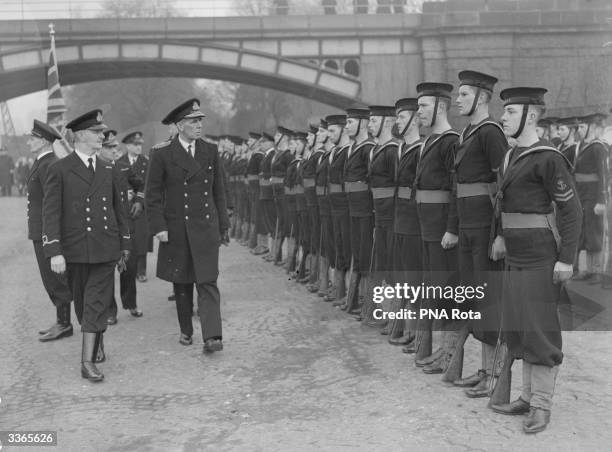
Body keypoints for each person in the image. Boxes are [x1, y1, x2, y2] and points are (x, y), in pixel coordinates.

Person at [489, 87, 582, 434]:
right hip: (514, 253)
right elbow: (502, 202)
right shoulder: (511, 156)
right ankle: (526, 397)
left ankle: (541, 405)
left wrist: (566, 258)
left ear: (531, 115)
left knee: (540, 328)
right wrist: (500, 235)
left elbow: (572, 212)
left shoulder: (549, 157)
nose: (504, 117)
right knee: (518, 325)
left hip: (541, 255)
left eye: (511, 112)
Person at [42, 109, 131, 382]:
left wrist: (125, 244)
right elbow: (51, 213)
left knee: (95, 301)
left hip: (105, 248)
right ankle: (96, 340)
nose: (102, 136)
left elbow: (120, 210)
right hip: (75, 250)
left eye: (102, 132)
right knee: (82, 303)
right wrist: (54, 250)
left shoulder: (109, 168)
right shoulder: (59, 169)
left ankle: (87, 362)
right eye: (96, 133)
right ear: (80, 136)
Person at [145, 98, 229, 353]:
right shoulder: (162, 154)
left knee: (207, 280)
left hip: (205, 226)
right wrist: (158, 227)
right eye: (193, 121)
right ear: (180, 126)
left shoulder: (210, 151)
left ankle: (212, 336)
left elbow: (219, 192)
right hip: (176, 228)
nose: (199, 125)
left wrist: (223, 226)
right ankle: (185, 329)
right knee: (181, 282)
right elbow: (153, 195)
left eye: (200, 121)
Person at [446, 70, 508, 395]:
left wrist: (500, 234)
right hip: (468, 227)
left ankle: (494, 376)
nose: (458, 99)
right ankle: (483, 369)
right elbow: (459, 186)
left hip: (485, 226)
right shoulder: (467, 133)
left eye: (464, 95)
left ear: (483, 98)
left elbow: (504, 185)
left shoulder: (490, 133)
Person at [413, 82, 460, 373]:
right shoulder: (431, 140)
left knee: (446, 292)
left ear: (441, 107)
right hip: (427, 225)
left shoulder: (450, 141)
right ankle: (441, 352)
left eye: (424, 106)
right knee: (433, 289)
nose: (419, 111)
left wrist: (452, 228)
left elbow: (456, 188)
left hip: (442, 227)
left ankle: (450, 355)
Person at [26, 119, 73, 342]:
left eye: (33, 138)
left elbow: (52, 205)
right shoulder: (43, 162)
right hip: (40, 230)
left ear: (45, 142)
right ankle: (61, 320)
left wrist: (50, 237)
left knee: (56, 279)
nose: (29, 142)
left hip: (47, 231)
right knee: (50, 278)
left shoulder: (50, 165)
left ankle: (65, 323)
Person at [99, 130, 144, 324]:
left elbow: (140, 185)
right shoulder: (95, 169)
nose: (114, 151)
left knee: (130, 267)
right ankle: (110, 311)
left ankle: (131, 303)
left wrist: (139, 202)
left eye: (115, 147)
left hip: (126, 224)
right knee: (107, 270)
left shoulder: (123, 167)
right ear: (99, 148)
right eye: (109, 148)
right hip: (106, 228)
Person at [388, 98, 422, 348]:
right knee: (402, 275)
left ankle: (416, 331)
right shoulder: (401, 148)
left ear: (415, 120)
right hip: (399, 217)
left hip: (414, 219)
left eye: (401, 117)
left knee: (414, 277)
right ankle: (405, 325)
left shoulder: (421, 148)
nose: (397, 122)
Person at [341, 108, 375, 315]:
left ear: (363, 124)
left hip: (365, 209)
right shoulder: (353, 148)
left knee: (365, 255)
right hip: (353, 208)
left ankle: (369, 304)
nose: (347, 127)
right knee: (357, 254)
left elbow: (372, 179)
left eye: (350, 122)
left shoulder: (368, 148)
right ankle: (358, 300)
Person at [573, 113, 608, 284]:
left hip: (594, 194)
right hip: (581, 192)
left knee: (594, 231)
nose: (579, 130)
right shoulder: (581, 146)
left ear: (591, 128)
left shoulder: (598, 147)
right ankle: (584, 269)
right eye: (578, 127)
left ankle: (596, 271)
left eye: (582, 127)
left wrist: (601, 200)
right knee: (583, 230)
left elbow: (603, 174)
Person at [120, 131, 151, 283]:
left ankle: (142, 271)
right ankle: (127, 269)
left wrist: (140, 199)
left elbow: (148, 184)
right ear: (127, 146)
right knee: (127, 238)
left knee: (142, 238)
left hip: (142, 207)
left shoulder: (146, 162)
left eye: (140, 144)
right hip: (125, 206)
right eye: (135, 144)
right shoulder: (120, 161)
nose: (139, 147)